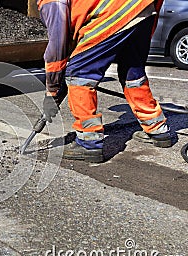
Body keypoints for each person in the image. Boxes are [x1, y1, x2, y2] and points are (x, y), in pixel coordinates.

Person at [38, 0, 171, 163]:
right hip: (143, 8)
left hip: (114, 11)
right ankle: (158, 129)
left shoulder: (49, 1)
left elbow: (58, 48)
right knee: (132, 72)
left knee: (79, 72)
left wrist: (52, 92)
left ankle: (89, 142)